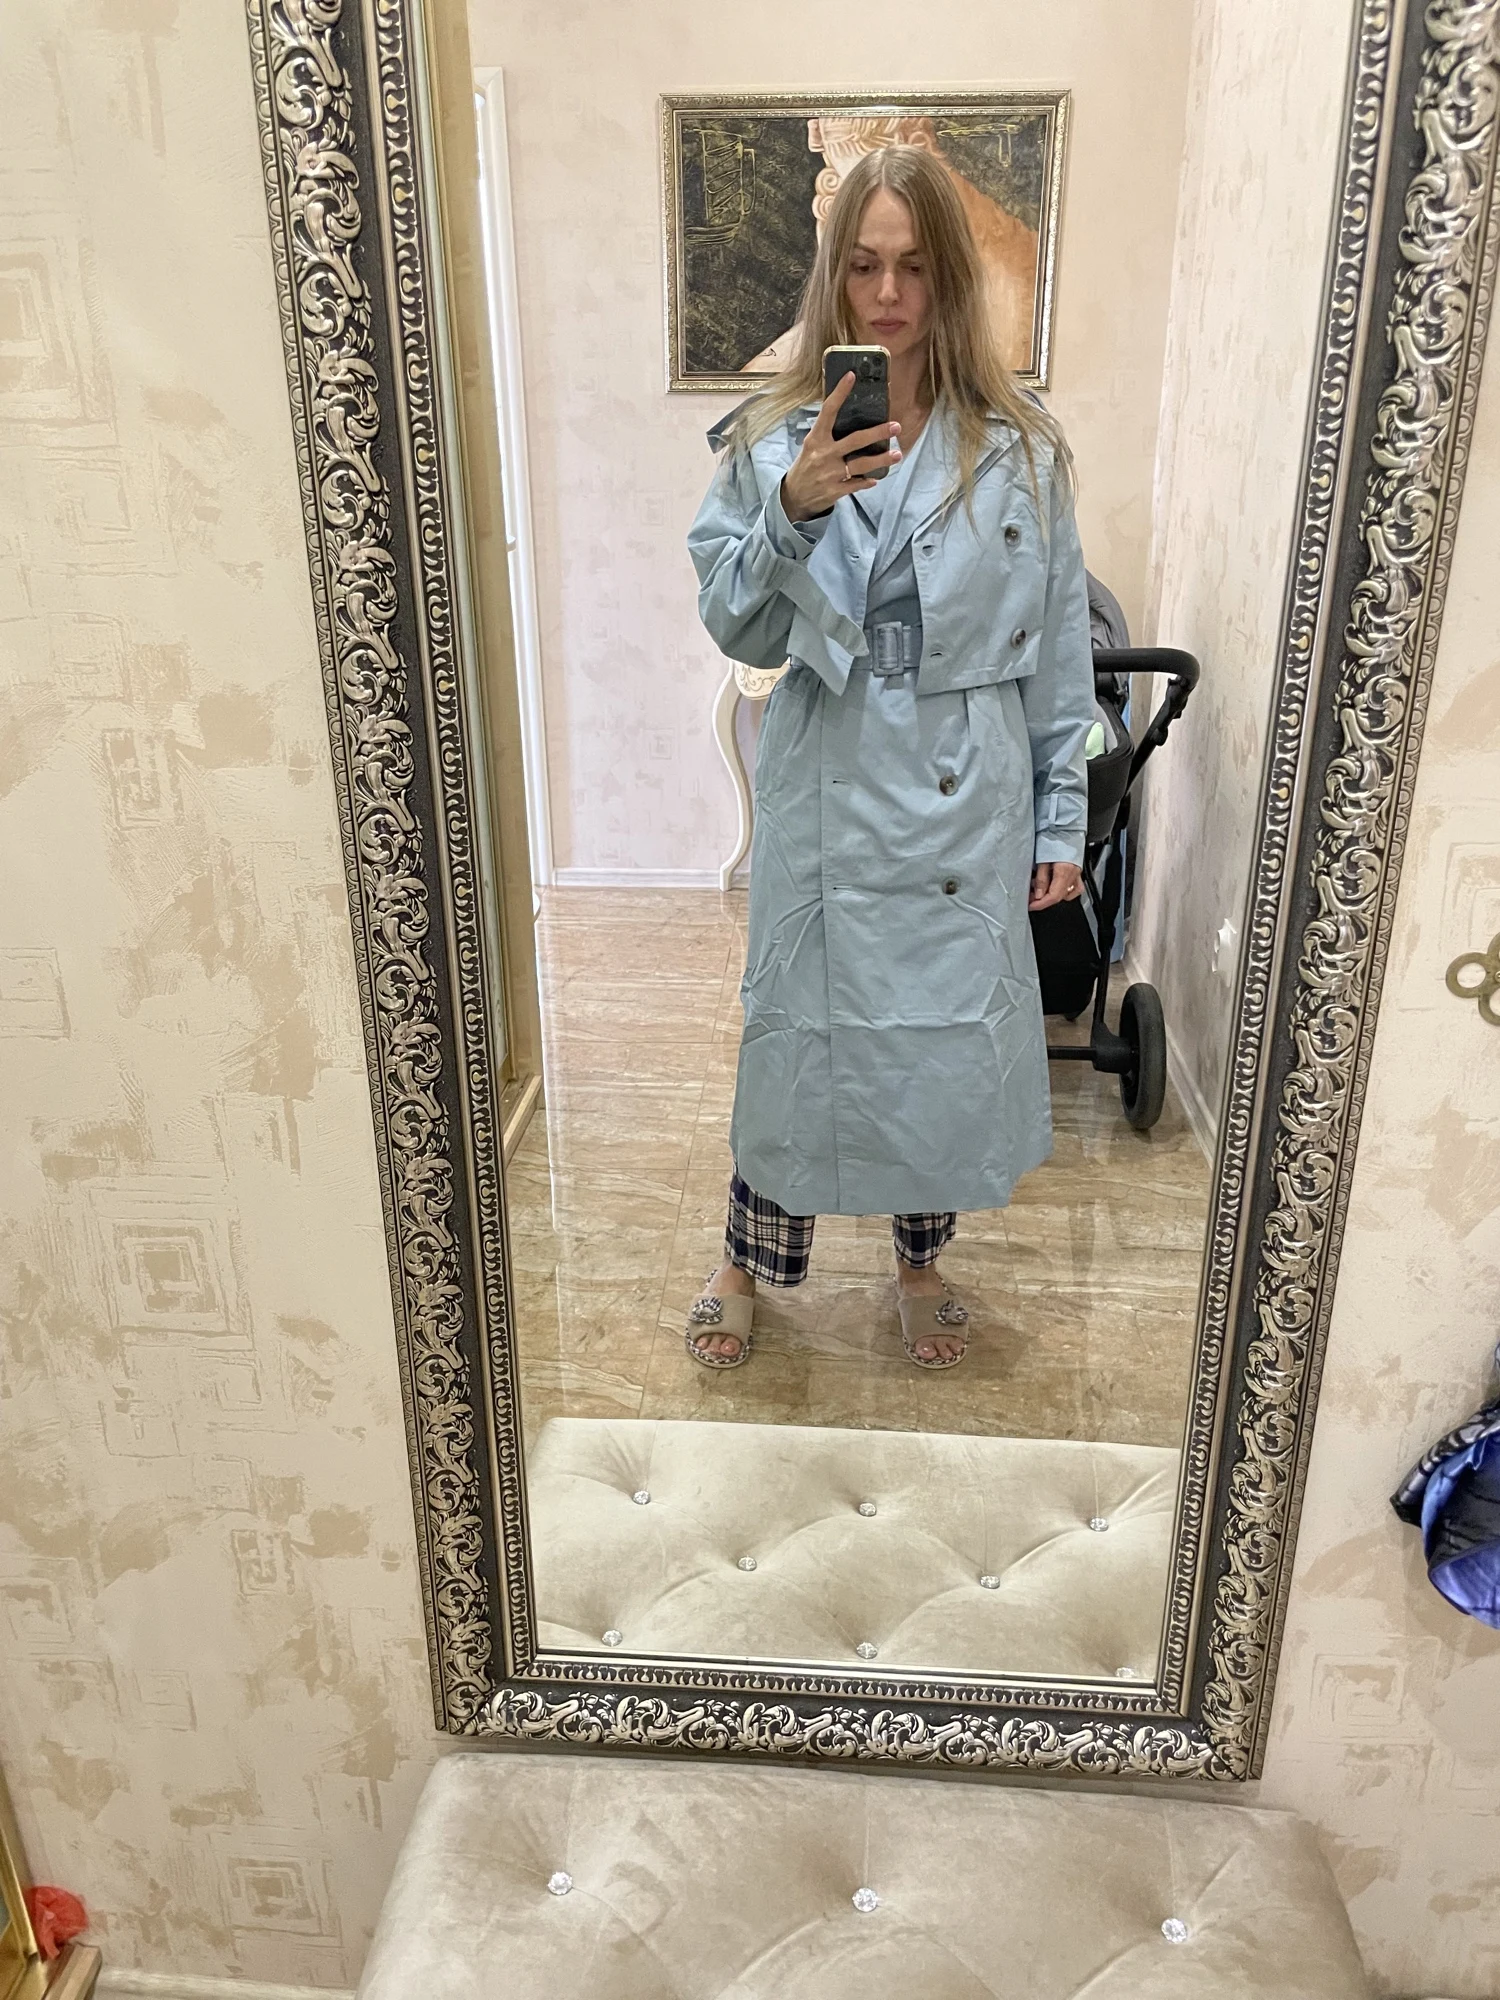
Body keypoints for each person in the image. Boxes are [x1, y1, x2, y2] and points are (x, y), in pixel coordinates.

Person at [684, 144, 1093, 1372]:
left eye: (914, 265)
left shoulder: (1021, 449)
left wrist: (1060, 817)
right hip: (832, 771)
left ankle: (920, 1262)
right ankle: (745, 1257)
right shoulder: (772, 440)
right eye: (863, 264)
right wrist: (794, 507)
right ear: (834, 272)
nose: (888, 293)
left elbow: (1056, 650)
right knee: (799, 1034)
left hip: (968, 787)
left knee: (940, 1043)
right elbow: (736, 625)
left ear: (950, 277)